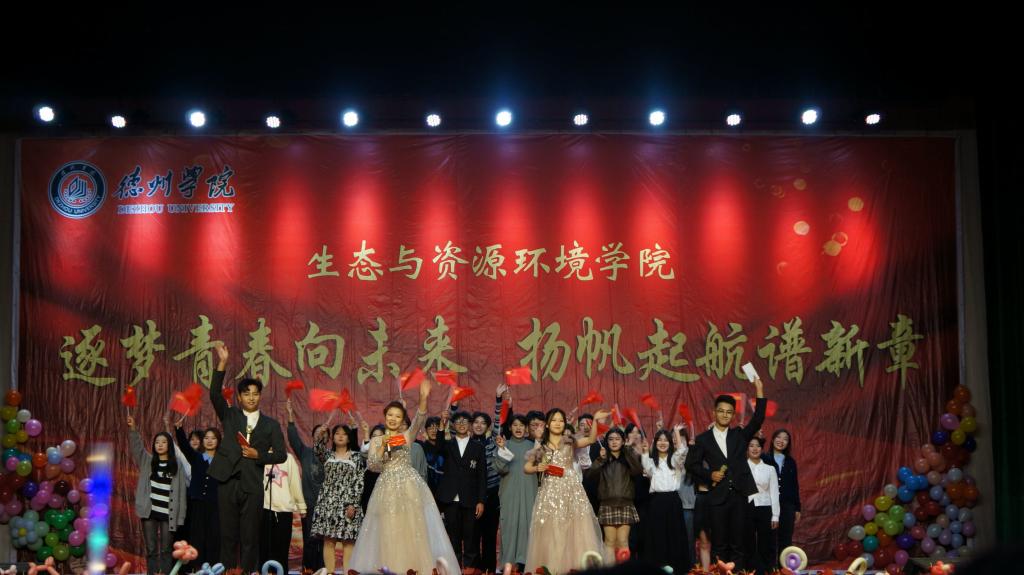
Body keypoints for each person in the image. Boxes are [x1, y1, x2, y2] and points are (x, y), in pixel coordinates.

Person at [349, 377, 459, 573]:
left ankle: (414, 569)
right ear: (385, 416)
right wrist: (383, 447)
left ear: (402, 420)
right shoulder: (377, 441)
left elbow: (419, 419)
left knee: (412, 529)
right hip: (386, 486)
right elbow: (373, 465)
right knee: (388, 529)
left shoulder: (405, 436)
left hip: (409, 486)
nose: (393, 418)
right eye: (390, 415)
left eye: (398, 416)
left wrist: (423, 399)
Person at [207, 342, 287, 573]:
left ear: (260, 396)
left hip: (252, 484)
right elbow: (214, 394)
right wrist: (222, 362)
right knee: (227, 534)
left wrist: (258, 454)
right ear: (240, 397)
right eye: (246, 394)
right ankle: (227, 571)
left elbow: (281, 455)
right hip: (227, 480)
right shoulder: (230, 415)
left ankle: (249, 571)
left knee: (250, 536)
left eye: (255, 394)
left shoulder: (271, 425)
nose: (251, 398)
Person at [684, 377, 766, 569]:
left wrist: (759, 389)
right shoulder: (703, 439)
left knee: (739, 542)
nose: (725, 415)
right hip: (716, 497)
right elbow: (691, 464)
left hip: (739, 496)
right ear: (714, 412)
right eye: (721, 411)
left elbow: (758, 419)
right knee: (719, 543)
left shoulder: (739, 435)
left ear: (733, 415)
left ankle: (738, 572)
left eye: (729, 412)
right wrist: (709, 475)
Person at [524, 407, 610, 573]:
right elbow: (527, 467)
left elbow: (591, 439)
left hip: (571, 490)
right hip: (550, 492)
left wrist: (595, 420)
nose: (558, 423)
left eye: (561, 420)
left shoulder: (569, 441)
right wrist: (537, 468)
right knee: (552, 531)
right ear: (547, 424)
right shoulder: (542, 445)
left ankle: (575, 568)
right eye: (554, 420)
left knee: (576, 530)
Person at [128, 414, 188, 574]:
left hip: (168, 513)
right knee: (151, 548)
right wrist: (133, 429)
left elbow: (181, 494)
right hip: (150, 512)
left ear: (169, 445)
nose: (160, 445)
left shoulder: (177, 466)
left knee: (167, 549)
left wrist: (180, 517)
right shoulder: (148, 461)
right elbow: (137, 448)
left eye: (164, 442)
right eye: (157, 442)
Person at [435, 409, 488, 570]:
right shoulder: (448, 445)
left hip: (471, 500)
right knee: (453, 539)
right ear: (453, 425)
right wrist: (442, 424)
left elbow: (482, 476)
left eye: (465, 421)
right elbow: (438, 447)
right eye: (458, 421)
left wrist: (481, 501)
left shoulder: (478, 447)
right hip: (450, 499)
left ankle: (470, 571)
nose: (462, 424)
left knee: (471, 540)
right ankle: (454, 570)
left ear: (470, 425)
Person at [312, 424, 364, 573]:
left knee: (348, 542)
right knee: (329, 541)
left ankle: (348, 573)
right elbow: (317, 449)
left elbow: (359, 481)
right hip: (328, 502)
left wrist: (353, 504)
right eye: (337, 433)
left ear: (349, 438)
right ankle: (330, 572)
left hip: (348, 502)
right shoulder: (327, 455)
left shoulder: (356, 456)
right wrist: (320, 434)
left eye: (344, 434)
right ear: (332, 437)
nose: (340, 436)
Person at [586, 427, 642, 562]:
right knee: (610, 541)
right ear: (607, 442)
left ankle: (623, 570)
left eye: (617, 439)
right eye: (611, 439)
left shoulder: (628, 456)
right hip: (607, 504)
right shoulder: (603, 458)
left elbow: (637, 470)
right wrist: (601, 459)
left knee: (623, 541)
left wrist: (628, 451)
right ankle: (609, 570)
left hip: (625, 504)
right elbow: (590, 476)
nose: (614, 442)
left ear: (623, 441)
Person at [640, 427, 691, 573]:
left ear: (670, 443)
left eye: (666, 440)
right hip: (656, 502)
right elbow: (646, 467)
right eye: (659, 440)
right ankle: (659, 567)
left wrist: (676, 432)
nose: (662, 443)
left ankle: (676, 567)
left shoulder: (675, 460)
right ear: (655, 442)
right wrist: (645, 452)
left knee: (674, 535)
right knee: (657, 536)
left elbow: (682, 450)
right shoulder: (651, 462)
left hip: (673, 501)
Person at [492, 414, 537, 573]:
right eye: (515, 425)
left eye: (522, 425)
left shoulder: (533, 446)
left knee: (527, 525)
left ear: (526, 428)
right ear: (510, 428)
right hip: (509, 492)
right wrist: (503, 449)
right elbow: (500, 469)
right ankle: (508, 563)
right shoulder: (504, 444)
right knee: (509, 526)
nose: (518, 428)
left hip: (530, 492)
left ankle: (526, 563)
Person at [174, 420, 221, 569]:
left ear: (218, 441)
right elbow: (184, 447)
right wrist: (179, 429)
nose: (209, 441)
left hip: (215, 505)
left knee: (213, 537)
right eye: (206, 438)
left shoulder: (222, 461)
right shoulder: (197, 457)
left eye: (213, 438)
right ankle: (196, 569)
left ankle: (212, 569)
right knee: (197, 537)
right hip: (197, 503)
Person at [285, 398, 326, 573]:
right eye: (317, 433)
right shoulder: (305, 452)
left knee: (324, 540)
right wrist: (290, 417)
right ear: (312, 437)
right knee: (309, 538)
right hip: (308, 504)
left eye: (323, 434)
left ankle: (323, 569)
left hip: (326, 505)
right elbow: (294, 439)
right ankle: (308, 569)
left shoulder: (331, 455)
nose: (320, 436)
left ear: (328, 438)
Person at [471, 383, 507, 573]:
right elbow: (452, 429)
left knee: (490, 535)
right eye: (475, 422)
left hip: (492, 494)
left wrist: (498, 399)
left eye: (482, 423)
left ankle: (489, 570)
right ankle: (475, 570)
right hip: (473, 495)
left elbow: (497, 421)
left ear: (487, 427)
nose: (479, 425)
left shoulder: (492, 441)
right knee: (473, 535)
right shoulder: (466, 444)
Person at [260, 450, 306, 571]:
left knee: (282, 549)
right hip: (264, 509)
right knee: (264, 548)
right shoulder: (261, 455)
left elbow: (295, 483)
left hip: (284, 510)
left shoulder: (288, 458)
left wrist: (301, 506)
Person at [762, 428, 800, 564]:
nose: (781, 441)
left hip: (787, 505)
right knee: (769, 538)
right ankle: (770, 569)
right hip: (769, 504)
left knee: (786, 539)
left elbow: (795, 485)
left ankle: (783, 569)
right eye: (778, 437)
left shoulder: (791, 462)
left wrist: (797, 508)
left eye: (785, 439)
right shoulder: (764, 458)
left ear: (788, 443)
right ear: (773, 440)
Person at [745, 437, 779, 575]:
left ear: (761, 449)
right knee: (747, 541)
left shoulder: (770, 469)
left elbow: (774, 492)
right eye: (751, 445)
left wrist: (775, 515)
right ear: (747, 449)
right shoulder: (741, 467)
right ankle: (749, 570)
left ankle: (765, 570)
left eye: (757, 446)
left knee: (765, 542)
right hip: (746, 507)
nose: (754, 448)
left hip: (765, 507)